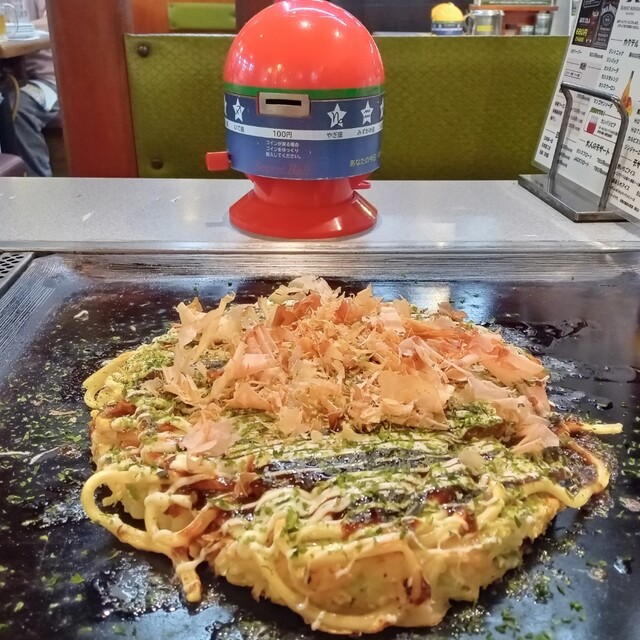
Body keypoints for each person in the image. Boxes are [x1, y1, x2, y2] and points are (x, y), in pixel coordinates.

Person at [12, 0, 59, 176]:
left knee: (15, 106)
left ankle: (39, 186)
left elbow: (54, 21)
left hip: (50, 80)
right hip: (10, 79)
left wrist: (13, 29)